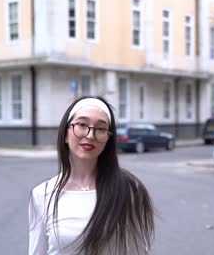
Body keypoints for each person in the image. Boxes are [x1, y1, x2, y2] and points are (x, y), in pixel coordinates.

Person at [28, 96, 155, 255]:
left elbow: (139, 252)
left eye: (101, 128)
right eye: (82, 125)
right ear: (66, 134)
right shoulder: (42, 195)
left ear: (108, 139)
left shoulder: (128, 190)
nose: (90, 135)